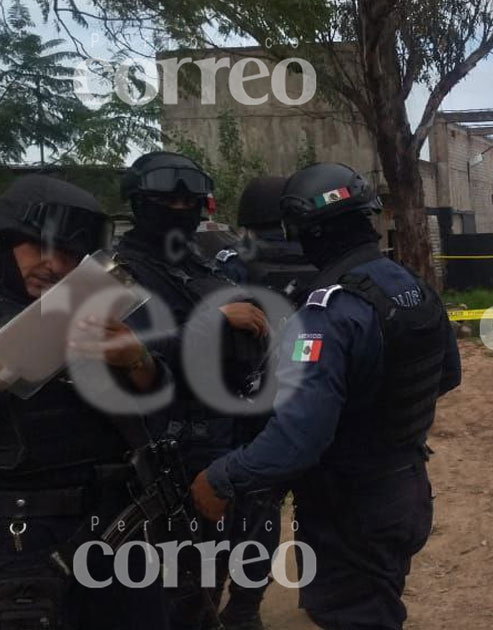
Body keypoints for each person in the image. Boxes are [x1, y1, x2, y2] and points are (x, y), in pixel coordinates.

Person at [190, 162, 462, 629]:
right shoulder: (412, 287)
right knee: (378, 604)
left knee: (355, 616)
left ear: (308, 231)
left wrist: (220, 478)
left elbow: (298, 440)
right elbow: (448, 375)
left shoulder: (327, 314)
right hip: (406, 489)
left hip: (352, 507)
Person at [0, 175, 169, 628]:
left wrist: (137, 360)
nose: (54, 265)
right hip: (27, 538)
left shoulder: (98, 309)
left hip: (119, 525)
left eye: (70, 254)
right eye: (37, 246)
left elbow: (161, 407)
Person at [115, 151, 270, 629]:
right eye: (167, 200)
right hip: (170, 450)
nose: (181, 209)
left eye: (190, 201)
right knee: (178, 585)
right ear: (140, 204)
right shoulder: (121, 273)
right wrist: (215, 323)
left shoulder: (198, 264)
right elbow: (127, 354)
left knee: (222, 564)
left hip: (230, 435)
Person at [213, 176, 317, 630]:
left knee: (221, 506)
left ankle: (208, 605)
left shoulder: (231, 265)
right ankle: (245, 608)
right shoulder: (321, 264)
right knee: (267, 509)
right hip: (300, 405)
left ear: (247, 222)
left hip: (234, 406)